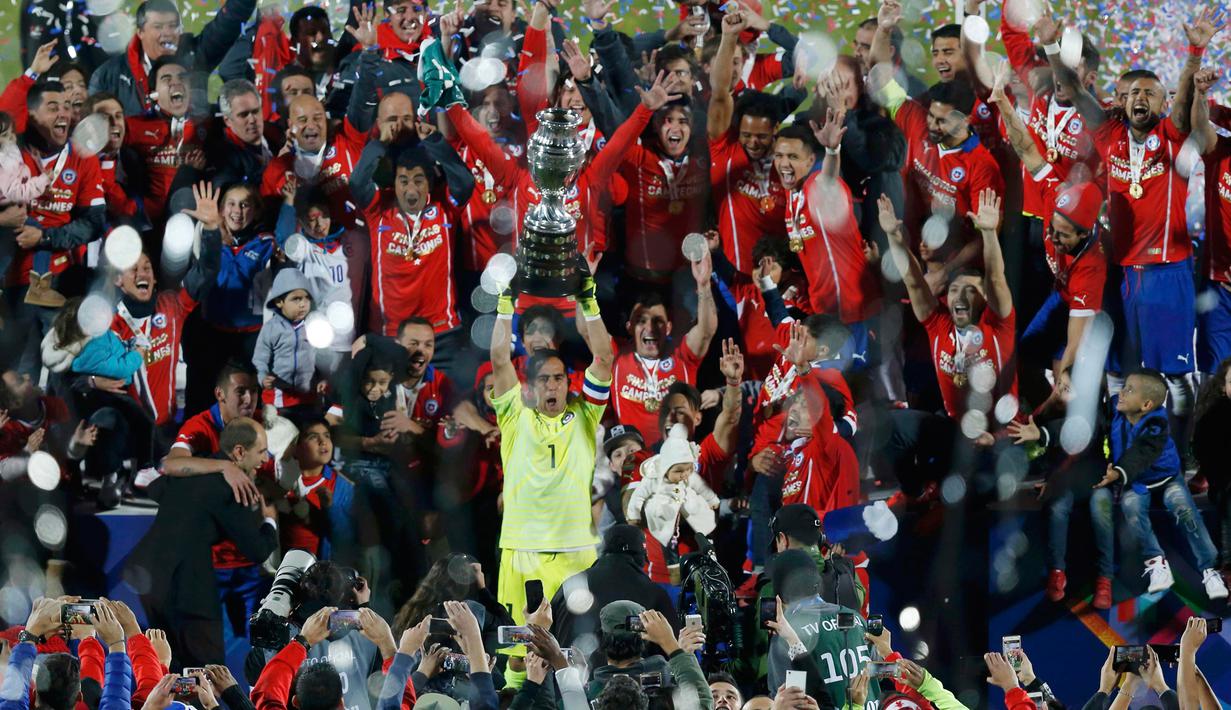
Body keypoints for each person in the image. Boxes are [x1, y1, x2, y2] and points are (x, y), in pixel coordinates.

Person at [125, 416, 279, 668]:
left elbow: (157, 487)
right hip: (187, 588)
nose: (265, 459)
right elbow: (258, 550)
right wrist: (269, 521)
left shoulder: (197, 469)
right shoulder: (234, 488)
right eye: (261, 452)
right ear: (239, 452)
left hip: (148, 577)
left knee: (168, 663)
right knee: (208, 671)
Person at [1093, 370, 1228, 600]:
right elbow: (1094, 422)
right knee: (1132, 508)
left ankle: (1210, 569)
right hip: (1135, 483)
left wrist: (1118, 471)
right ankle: (1157, 563)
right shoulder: (1116, 407)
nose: (1121, 393)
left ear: (1146, 405)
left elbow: (1142, 452)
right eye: (1124, 387)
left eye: (1129, 390)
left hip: (1167, 480)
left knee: (1187, 513)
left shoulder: (1157, 422)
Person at [88, 0, 258, 116]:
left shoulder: (195, 55)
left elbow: (228, 22)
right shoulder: (107, 77)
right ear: (140, 32)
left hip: (193, 162)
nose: (167, 33)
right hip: (136, 167)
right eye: (158, 27)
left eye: (172, 26)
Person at [765, 549, 870, 707]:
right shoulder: (856, 619)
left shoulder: (787, 634)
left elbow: (791, 701)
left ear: (779, 595)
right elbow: (881, 675)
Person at [549, 524, 677, 648]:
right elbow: (672, 645)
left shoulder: (571, 585)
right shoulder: (654, 593)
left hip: (572, 668)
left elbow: (548, 638)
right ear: (640, 556)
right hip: (634, 668)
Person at [253, 269, 319, 414]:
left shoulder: (313, 325)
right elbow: (259, 359)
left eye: (306, 298)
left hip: (308, 397)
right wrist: (263, 377)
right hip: (279, 399)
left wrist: (324, 378)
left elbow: (322, 358)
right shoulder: (271, 329)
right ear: (279, 302)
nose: (303, 304)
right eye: (296, 299)